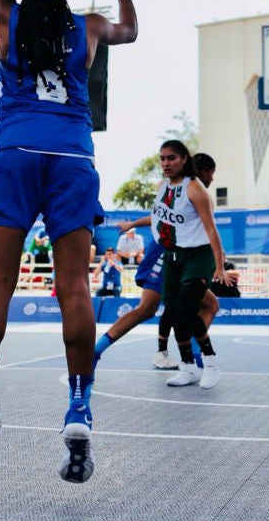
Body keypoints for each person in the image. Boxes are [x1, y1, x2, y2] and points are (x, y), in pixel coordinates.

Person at [0, 0, 137, 484]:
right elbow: (130, 29)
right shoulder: (89, 26)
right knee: (74, 285)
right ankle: (79, 408)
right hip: (73, 157)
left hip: (17, 153)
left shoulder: (9, 17)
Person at [94, 153, 221, 370]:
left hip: (181, 259)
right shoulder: (185, 191)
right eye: (212, 173)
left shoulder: (189, 192)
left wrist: (133, 223)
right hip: (165, 256)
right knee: (147, 309)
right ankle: (95, 351)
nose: (213, 178)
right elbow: (160, 216)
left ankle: (192, 356)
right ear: (205, 172)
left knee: (208, 304)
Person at [146, 140, 229, 390]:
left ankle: (210, 362)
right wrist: (131, 225)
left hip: (198, 256)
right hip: (173, 256)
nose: (166, 163)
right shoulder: (163, 187)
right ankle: (188, 368)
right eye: (162, 159)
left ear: (184, 158)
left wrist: (220, 266)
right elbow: (155, 218)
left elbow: (211, 229)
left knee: (184, 308)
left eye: (171, 158)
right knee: (173, 311)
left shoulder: (195, 188)